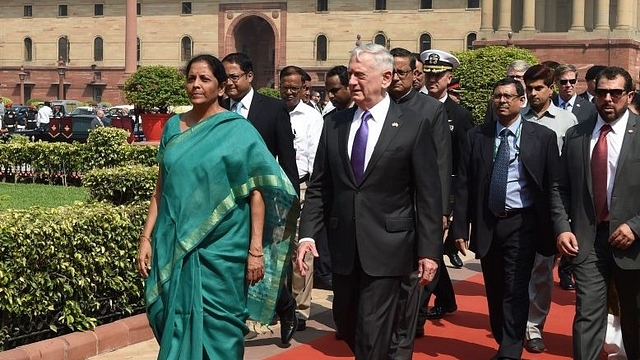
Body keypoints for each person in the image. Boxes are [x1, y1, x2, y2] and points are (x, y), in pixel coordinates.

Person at [136, 54, 299, 360]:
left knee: (221, 332)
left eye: (205, 79)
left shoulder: (237, 130)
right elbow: (161, 189)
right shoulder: (173, 127)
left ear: (222, 87)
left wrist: (254, 251)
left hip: (223, 251)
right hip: (175, 244)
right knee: (170, 321)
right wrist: (146, 238)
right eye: (191, 78)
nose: (196, 85)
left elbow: (258, 191)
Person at [296, 43, 443, 360]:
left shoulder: (413, 124)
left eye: (360, 75)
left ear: (386, 77)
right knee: (347, 324)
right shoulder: (335, 123)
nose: (352, 82)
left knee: (371, 331)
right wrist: (307, 234)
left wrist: (429, 251)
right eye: (350, 74)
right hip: (345, 247)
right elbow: (321, 186)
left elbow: (429, 194)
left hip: (390, 247)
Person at [452, 77, 560, 360]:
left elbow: (553, 186)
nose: (502, 101)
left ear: (521, 101)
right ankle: (504, 337)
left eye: (508, 96)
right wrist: (459, 228)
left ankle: (510, 350)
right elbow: (463, 184)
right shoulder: (477, 136)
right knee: (496, 287)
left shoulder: (542, 137)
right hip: (488, 222)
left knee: (515, 286)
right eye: (497, 95)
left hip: (523, 223)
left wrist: (558, 228)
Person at [552, 66, 640, 360]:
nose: (608, 99)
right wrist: (562, 227)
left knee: (634, 317)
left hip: (633, 243)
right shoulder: (577, 134)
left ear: (628, 95)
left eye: (616, 93)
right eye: (602, 92)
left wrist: (636, 227)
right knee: (588, 314)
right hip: (587, 241)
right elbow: (559, 186)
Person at [220, 52, 300, 344]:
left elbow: (286, 159)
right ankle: (237, 318)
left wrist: (291, 205)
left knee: (262, 259)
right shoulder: (218, 109)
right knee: (232, 259)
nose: (228, 83)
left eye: (233, 77)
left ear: (249, 76)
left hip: (263, 202)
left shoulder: (273, 109)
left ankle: (285, 305)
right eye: (225, 77)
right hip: (228, 202)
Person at [387, 47, 451, 359]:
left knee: (411, 284)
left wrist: (440, 211)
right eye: (392, 71)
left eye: (402, 72)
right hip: (382, 214)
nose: (396, 77)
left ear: (417, 75)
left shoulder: (430, 110)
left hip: (416, 211)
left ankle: (406, 337)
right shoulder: (377, 105)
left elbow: (440, 164)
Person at [520, 64, 578, 354]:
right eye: (529, 88)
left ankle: (533, 327)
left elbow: (571, 168)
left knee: (542, 270)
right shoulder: (517, 118)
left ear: (550, 89)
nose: (533, 93)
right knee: (516, 268)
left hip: (549, 208)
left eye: (538, 88)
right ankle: (513, 321)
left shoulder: (567, 121)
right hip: (519, 206)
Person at [416, 49, 474, 329]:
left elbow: (462, 166)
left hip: (441, 196)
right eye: (428, 74)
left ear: (449, 78)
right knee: (428, 252)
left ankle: (417, 316)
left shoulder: (459, 115)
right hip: (413, 193)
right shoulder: (412, 106)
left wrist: (450, 208)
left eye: (438, 75)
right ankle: (448, 299)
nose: (432, 80)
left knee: (429, 251)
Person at [279, 65, 324, 332]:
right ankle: (280, 303)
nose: (289, 92)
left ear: (303, 88)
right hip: (275, 188)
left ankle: (300, 308)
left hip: (303, 186)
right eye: (285, 86)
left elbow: (316, 155)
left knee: (301, 250)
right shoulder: (273, 113)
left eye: (294, 87)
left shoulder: (311, 117)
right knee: (275, 249)